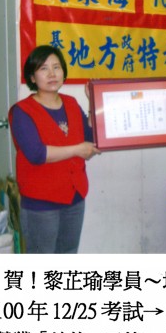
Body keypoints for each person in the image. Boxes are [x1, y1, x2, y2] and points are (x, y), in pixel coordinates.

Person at [9, 45, 100, 253]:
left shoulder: (71, 103)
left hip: (75, 197)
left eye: (56, 67)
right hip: (41, 203)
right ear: (32, 77)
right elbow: (37, 154)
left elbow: (89, 137)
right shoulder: (22, 111)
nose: (52, 74)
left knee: (68, 254)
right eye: (44, 68)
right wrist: (77, 150)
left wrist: (93, 102)